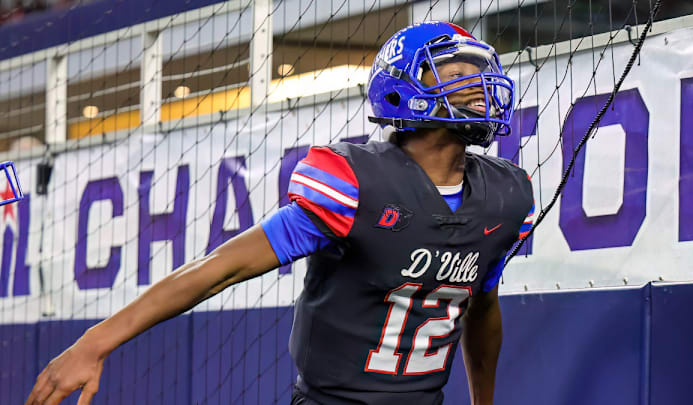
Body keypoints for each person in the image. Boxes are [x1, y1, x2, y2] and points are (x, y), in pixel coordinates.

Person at [25, 21, 533, 405]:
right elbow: (221, 267)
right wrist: (96, 341)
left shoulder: (503, 195)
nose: (478, 84)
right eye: (457, 73)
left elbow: (481, 306)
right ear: (404, 86)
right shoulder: (356, 183)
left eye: (481, 72)